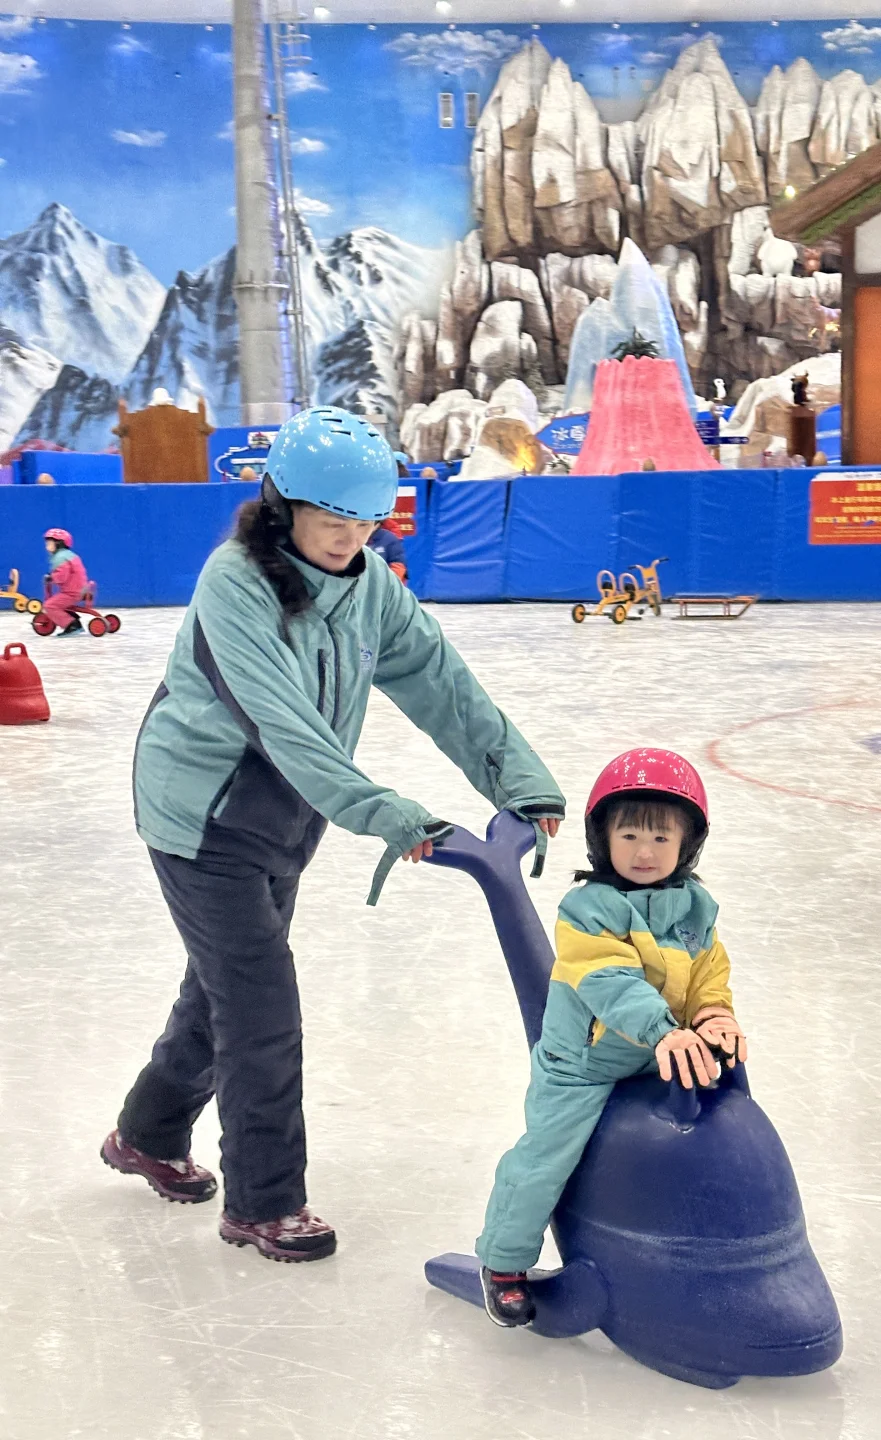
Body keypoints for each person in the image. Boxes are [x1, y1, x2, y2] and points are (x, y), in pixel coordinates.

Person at [101, 405, 564, 1264]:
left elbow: (437, 679)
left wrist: (518, 780)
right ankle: (263, 1204)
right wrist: (391, 814)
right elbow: (289, 731)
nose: (349, 539)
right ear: (282, 507)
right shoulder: (233, 587)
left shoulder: (367, 586)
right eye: (331, 521)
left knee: (222, 991)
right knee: (260, 1004)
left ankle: (145, 1134)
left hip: (286, 818)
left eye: (364, 523)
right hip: (202, 820)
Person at [475, 748, 747, 1327]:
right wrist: (663, 1032)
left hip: (661, 1051)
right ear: (603, 839)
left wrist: (713, 1015)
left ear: (686, 845)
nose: (644, 853)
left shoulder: (694, 906)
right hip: (585, 1064)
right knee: (548, 1156)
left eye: (660, 839)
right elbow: (611, 983)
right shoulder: (587, 909)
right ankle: (503, 1263)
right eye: (629, 836)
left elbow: (706, 971)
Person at [42, 528, 89, 637]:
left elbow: (61, 577)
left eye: (49, 543)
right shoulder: (68, 555)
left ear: (59, 543)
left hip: (72, 592)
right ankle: (71, 618)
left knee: (49, 605)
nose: (46, 546)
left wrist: (51, 578)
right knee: (57, 603)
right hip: (79, 589)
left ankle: (72, 625)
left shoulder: (60, 557)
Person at [366, 516, 407, 582]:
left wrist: (388, 584)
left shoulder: (389, 538)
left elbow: (398, 565)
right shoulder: (354, 537)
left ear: (378, 524)